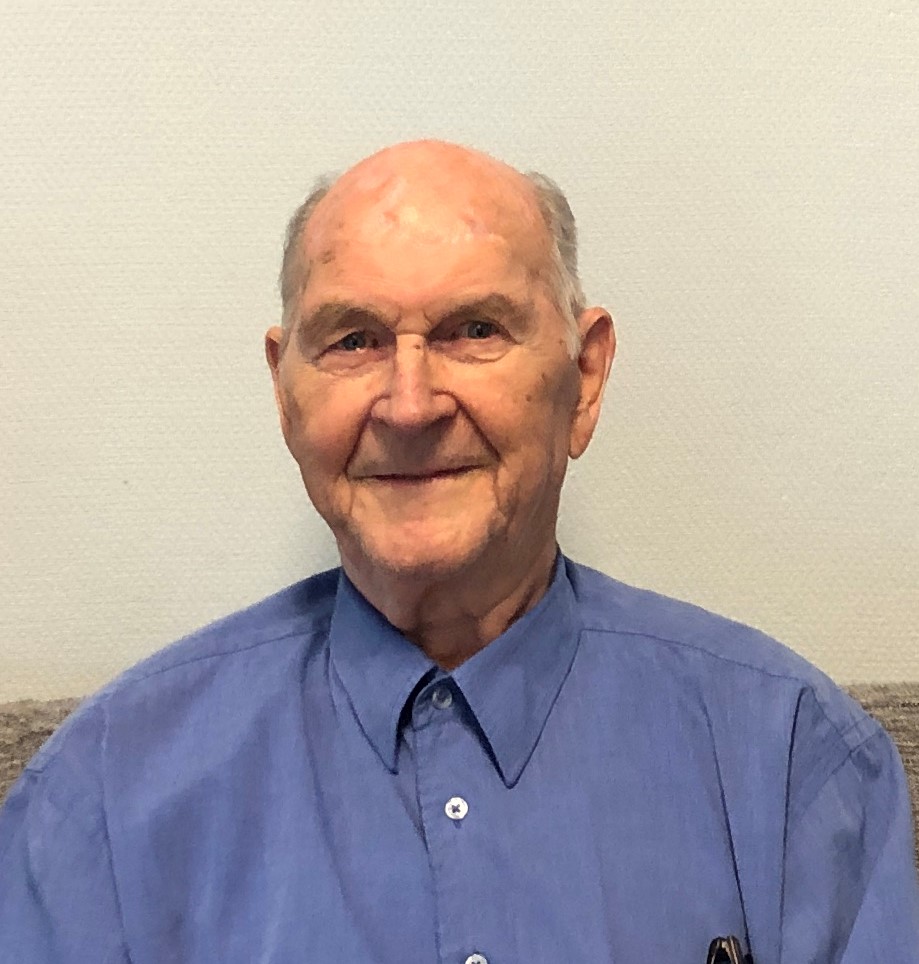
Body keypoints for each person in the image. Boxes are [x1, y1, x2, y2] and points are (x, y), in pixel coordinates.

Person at [1, 140, 916, 963]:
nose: (409, 406)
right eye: (353, 340)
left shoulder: (793, 763)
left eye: (474, 330)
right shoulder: (100, 800)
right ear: (285, 396)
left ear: (584, 377)